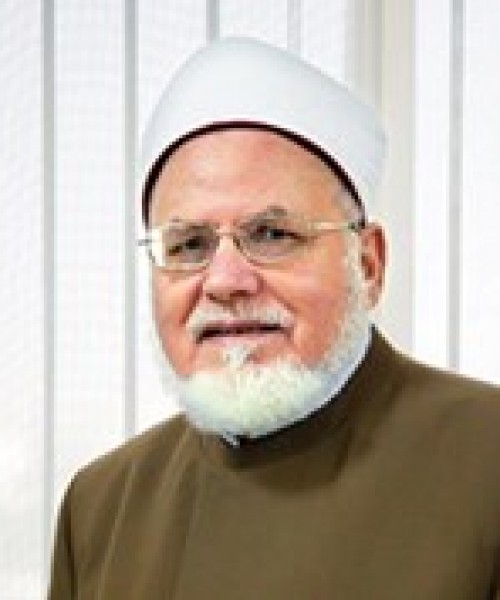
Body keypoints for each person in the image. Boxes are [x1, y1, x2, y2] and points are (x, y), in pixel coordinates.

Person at [48, 38, 500, 599]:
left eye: (270, 234)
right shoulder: (99, 509)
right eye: (189, 245)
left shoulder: (487, 458)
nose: (224, 281)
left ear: (368, 264)